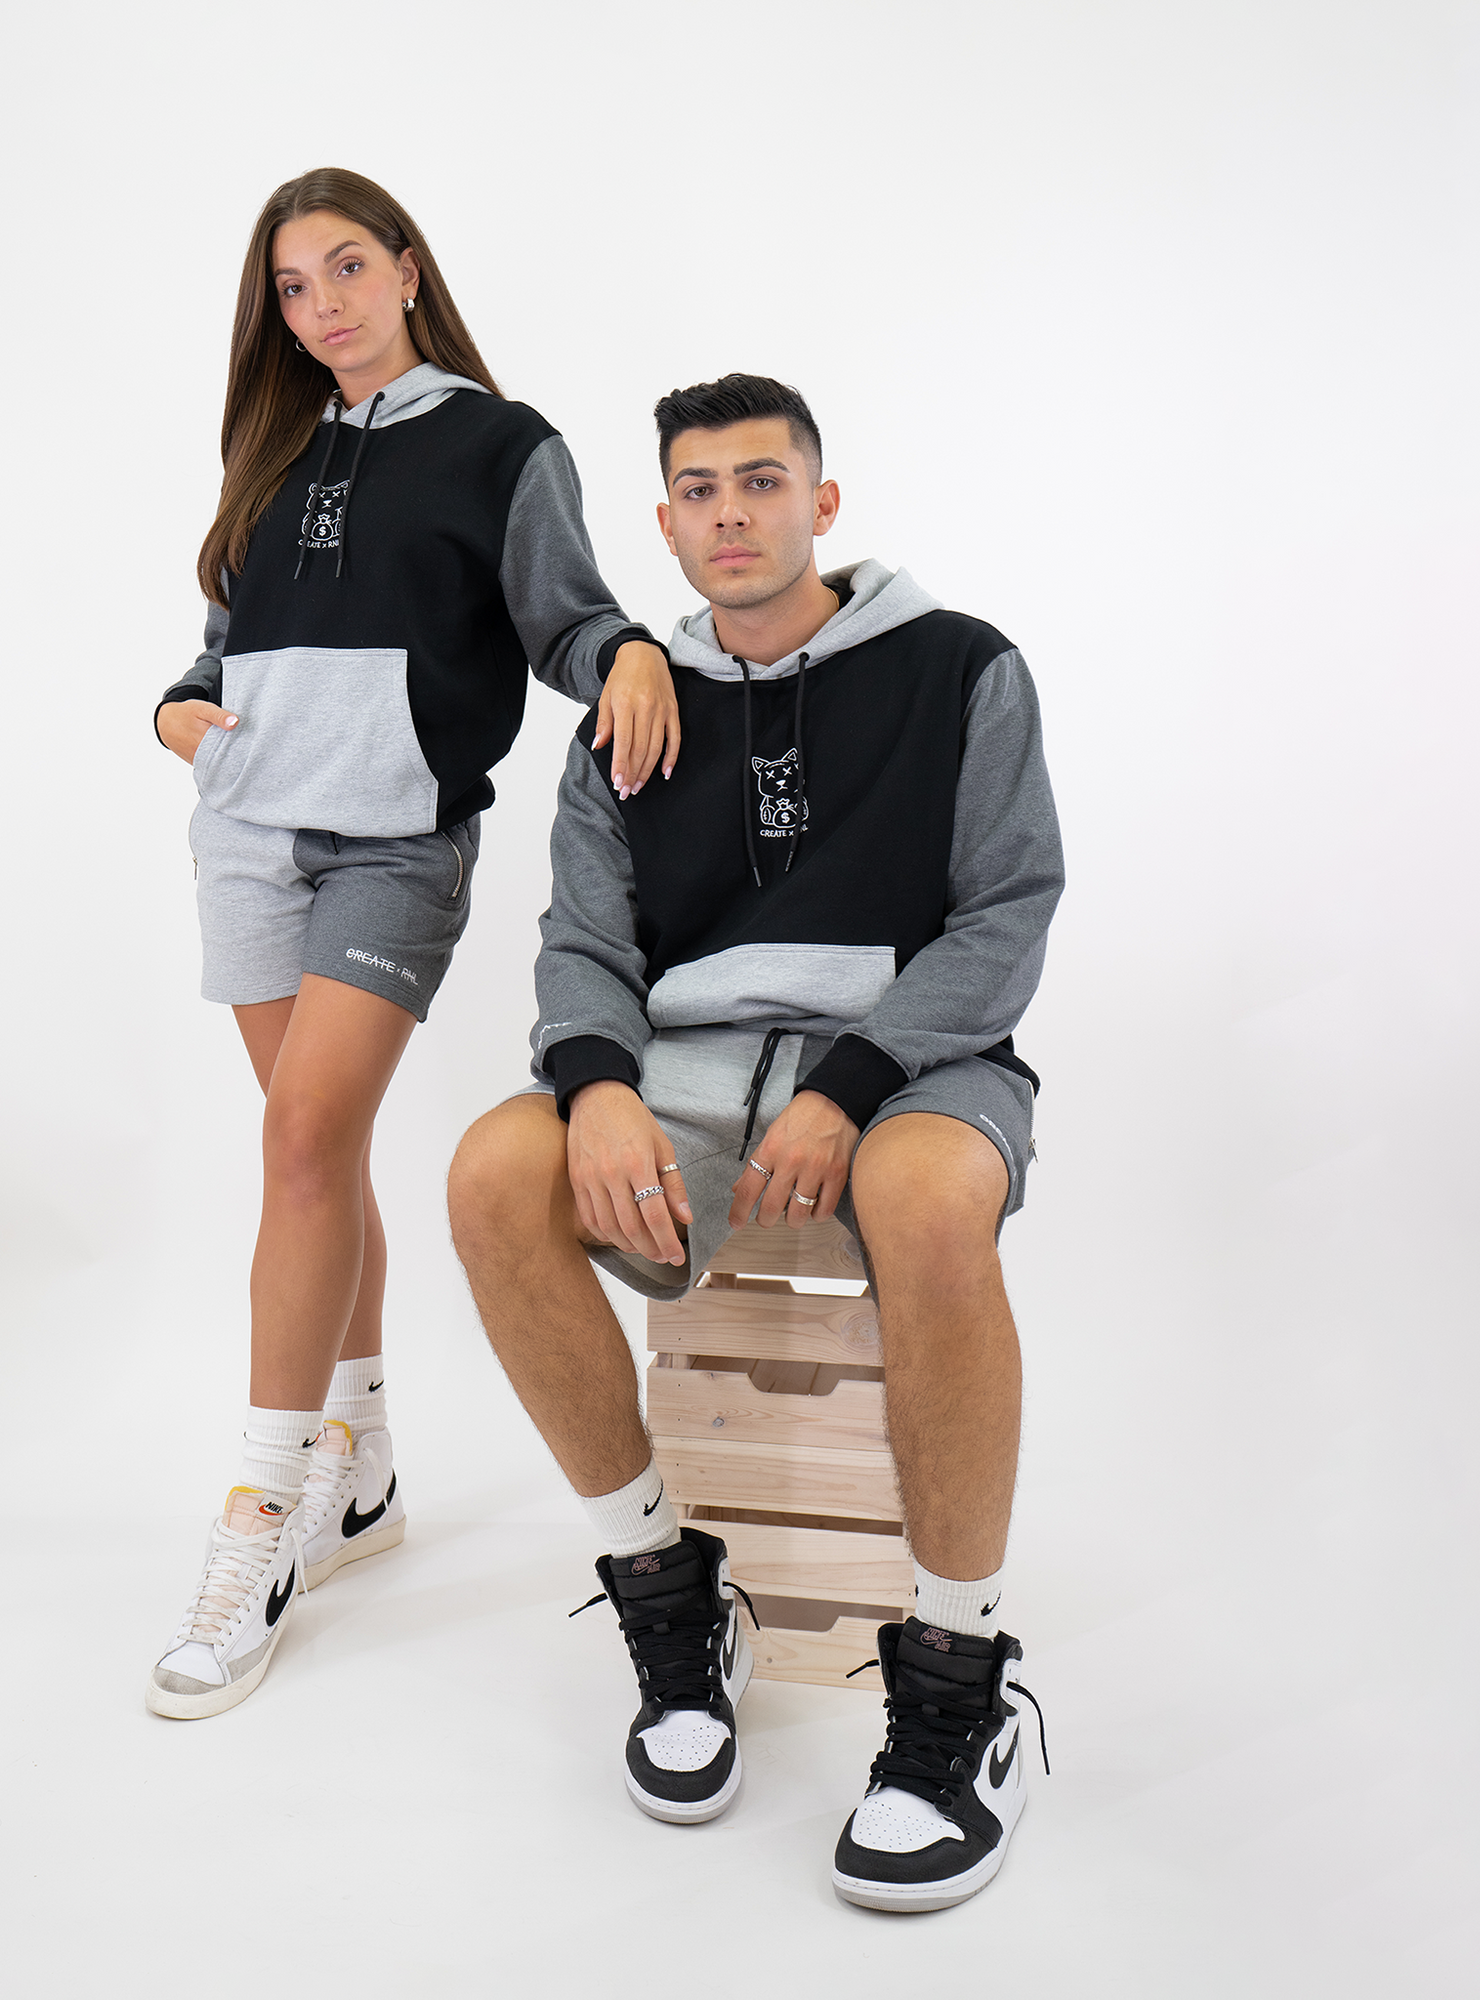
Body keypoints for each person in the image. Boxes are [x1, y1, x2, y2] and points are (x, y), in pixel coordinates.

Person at [448, 374, 1064, 1910]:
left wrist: (851, 1081)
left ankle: (962, 1676)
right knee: (493, 1169)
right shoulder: (632, 707)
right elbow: (585, 940)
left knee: (926, 1194)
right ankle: (670, 1593)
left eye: (763, 481)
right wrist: (596, 1086)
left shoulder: (961, 668)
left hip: (918, 1056)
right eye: (701, 490)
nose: (732, 512)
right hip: (687, 1068)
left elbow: (1005, 913)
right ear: (665, 525)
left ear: (822, 503)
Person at [145, 169, 679, 1720]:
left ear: (407, 269)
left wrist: (631, 650)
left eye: (344, 268)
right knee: (311, 1153)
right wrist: (179, 709)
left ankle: (260, 1518)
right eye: (291, 287)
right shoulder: (272, 448)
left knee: (305, 1140)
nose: (321, 306)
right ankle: (361, 1466)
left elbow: (563, 620)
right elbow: (226, 643)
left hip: (395, 841)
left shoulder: (504, 446)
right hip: (247, 831)